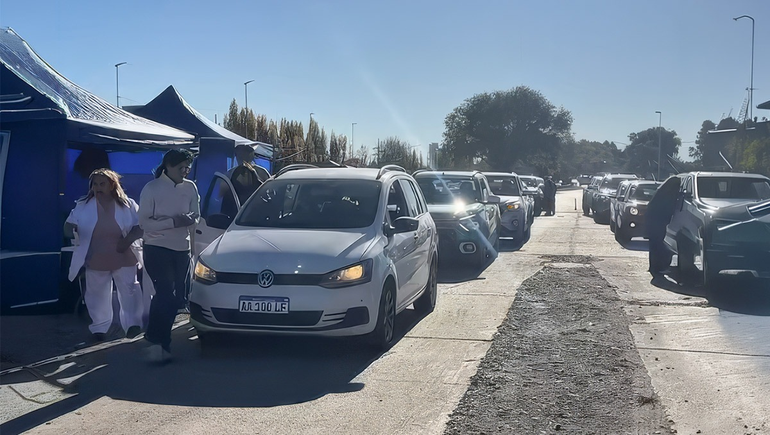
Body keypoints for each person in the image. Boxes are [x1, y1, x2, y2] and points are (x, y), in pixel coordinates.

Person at [64, 168, 145, 341]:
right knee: (96, 293)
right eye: (95, 184)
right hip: (97, 256)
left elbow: (141, 226)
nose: (98, 187)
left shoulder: (128, 204)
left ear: (112, 186)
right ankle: (99, 328)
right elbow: (68, 224)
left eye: (102, 184)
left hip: (124, 254)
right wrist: (72, 231)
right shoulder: (83, 205)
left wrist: (127, 240)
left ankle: (132, 325)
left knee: (129, 290)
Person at [139, 149, 200, 362]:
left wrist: (190, 221)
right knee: (165, 292)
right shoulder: (152, 188)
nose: (185, 171)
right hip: (156, 247)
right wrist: (173, 222)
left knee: (177, 299)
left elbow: (197, 216)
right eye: (181, 167)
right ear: (168, 165)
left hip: (181, 248)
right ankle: (161, 343)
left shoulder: (191, 187)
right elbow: (144, 223)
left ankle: (154, 335)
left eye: (188, 167)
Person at [645, 176, 680, 281]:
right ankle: (658, 268)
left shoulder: (661, 194)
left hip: (653, 222)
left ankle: (655, 268)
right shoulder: (667, 196)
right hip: (657, 222)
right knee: (657, 245)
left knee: (655, 246)